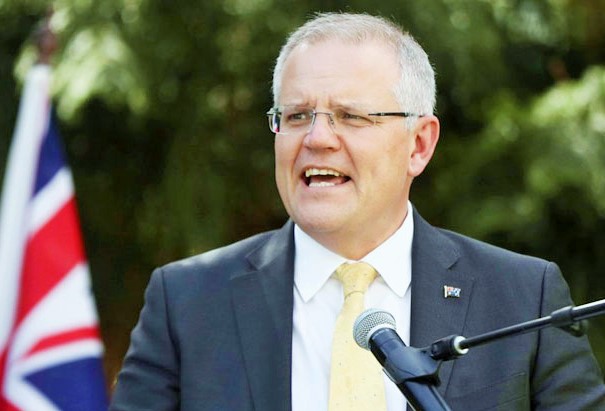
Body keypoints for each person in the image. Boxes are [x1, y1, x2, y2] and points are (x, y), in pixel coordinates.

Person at [110, 12, 605, 411]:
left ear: (419, 144)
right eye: (297, 116)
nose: (317, 138)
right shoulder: (185, 302)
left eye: (351, 116)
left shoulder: (524, 298)